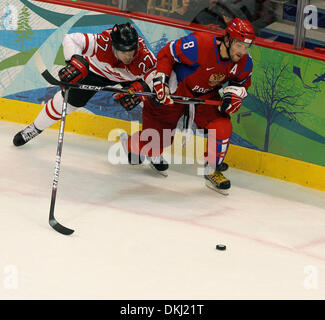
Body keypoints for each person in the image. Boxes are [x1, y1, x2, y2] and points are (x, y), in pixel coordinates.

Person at [122, 18, 255, 193]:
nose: (242, 52)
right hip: (176, 91)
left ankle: (212, 169)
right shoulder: (198, 44)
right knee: (156, 141)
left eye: (246, 47)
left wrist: (236, 95)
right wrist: (161, 79)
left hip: (206, 96)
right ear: (228, 39)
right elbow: (167, 54)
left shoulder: (244, 62)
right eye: (239, 45)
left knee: (222, 126)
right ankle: (131, 145)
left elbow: (242, 82)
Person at [13, 22, 156, 147]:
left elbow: (157, 77)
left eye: (131, 50)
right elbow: (71, 39)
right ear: (113, 46)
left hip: (129, 78)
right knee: (67, 102)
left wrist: (143, 89)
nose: (128, 56)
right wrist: (74, 59)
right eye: (123, 51)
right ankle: (35, 128)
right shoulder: (102, 41)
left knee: (152, 105)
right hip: (97, 72)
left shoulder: (144, 57)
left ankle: (153, 148)